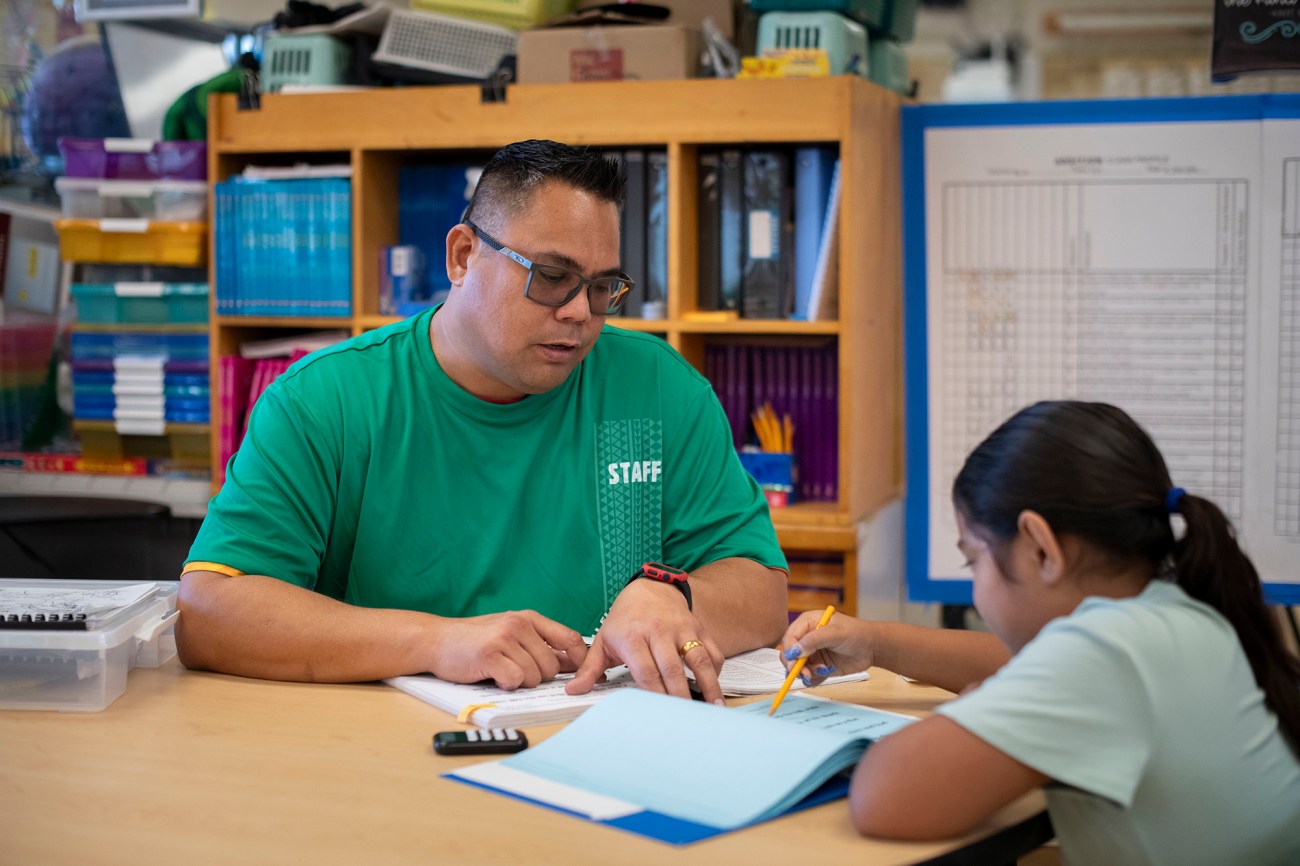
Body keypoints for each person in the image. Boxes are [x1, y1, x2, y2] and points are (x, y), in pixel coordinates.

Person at [178, 139, 789, 704]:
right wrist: (435, 642)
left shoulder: (660, 389)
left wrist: (672, 599)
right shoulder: (325, 400)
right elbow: (210, 612)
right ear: (463, 256)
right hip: (383, 754)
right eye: (551, 277)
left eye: (602, 287)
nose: (579, 312)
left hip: (605, 740)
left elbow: (761, 590)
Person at [781, 401, 1300, 864]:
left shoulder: (1106, 653)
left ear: (1040, 549)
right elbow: (1011, 662)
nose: (975, 588)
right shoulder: (1176, 614)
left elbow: (882, 798)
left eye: (972, 561)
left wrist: (981, 707)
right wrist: (875, 643)